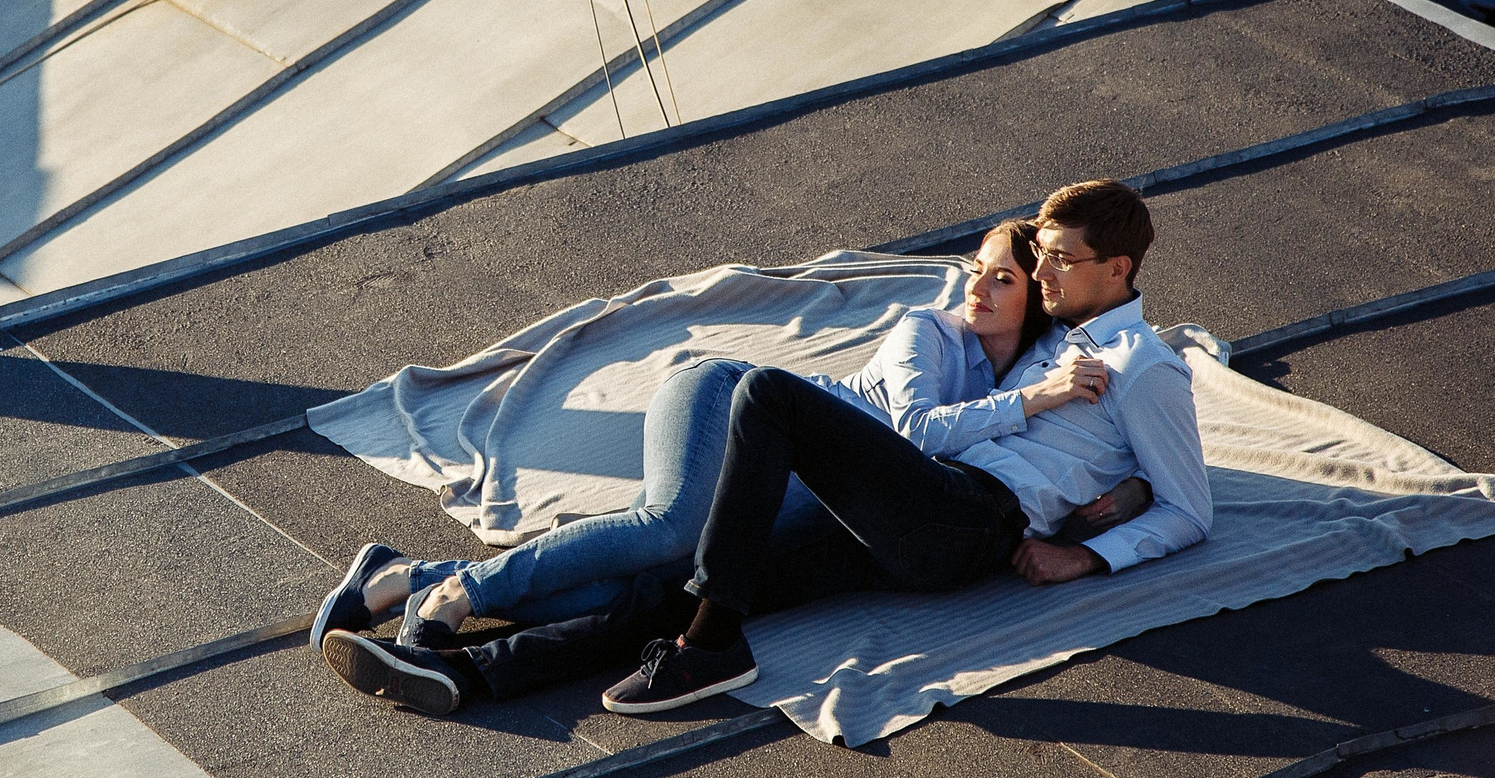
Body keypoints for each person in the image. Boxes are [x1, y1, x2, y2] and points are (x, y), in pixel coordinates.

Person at [316, 216, 1146, 715]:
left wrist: (1119, 494)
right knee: (666, 526)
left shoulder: (1029, 366)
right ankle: (463, 594)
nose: (980, 287)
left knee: (671, 572)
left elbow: (1077, 446)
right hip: (724, 399)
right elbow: (915, 431)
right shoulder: (925, 334)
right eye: (977, 269)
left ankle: (405, 576)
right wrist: (1034, 408)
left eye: (1005, 278)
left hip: (791, 487)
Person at [595, 177, 1210, 715]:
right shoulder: (1055, 331)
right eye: (1042, 257)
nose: (1042, 275)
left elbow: (1189, 509)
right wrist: (1127, 477)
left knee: (768, 395)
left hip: (966, 517)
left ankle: (711, 648)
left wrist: (1089, 555)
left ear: (1118, 268)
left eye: (1060, 260)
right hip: (912, 510)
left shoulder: (1143, 367)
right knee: (687, 583)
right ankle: (504, 663)